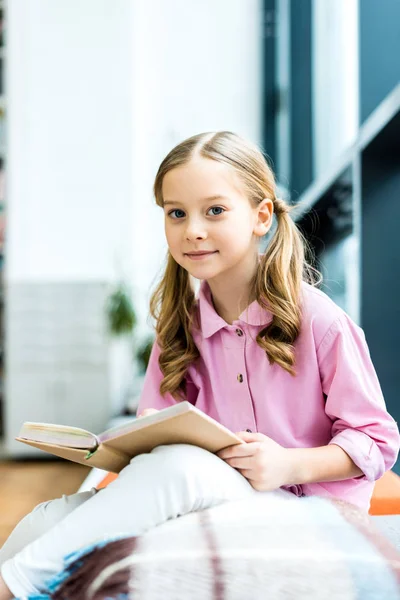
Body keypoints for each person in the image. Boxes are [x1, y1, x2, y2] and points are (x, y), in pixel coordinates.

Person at [0, 130, 398, 598]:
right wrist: (136, 438)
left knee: (182, 468)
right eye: (176, 213)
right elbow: (159, 436)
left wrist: (288, 465)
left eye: (215, 210)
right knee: (44, 521)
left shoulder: (320, 322)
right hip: (211, 497)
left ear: (260, 216)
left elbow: (378, 440)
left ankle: (12, 583)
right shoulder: (178, 327)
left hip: (303, 507)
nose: (193, 230)